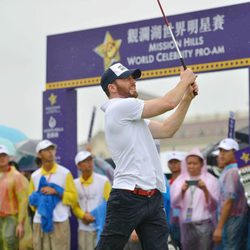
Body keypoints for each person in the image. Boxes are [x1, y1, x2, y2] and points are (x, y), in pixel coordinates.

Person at [96, 62, 198, 250]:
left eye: (132, 77)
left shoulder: (133, 117)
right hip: (127, 196)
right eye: (126, 78)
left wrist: (187, 99)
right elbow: (167, 103)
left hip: (152, 197)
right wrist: (184, 81)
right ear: (112, 87)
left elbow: (168, 130)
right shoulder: (118, 107)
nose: (132, 81)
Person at [29, 139, 78, 250]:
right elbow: (31, 201)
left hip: (60, 220)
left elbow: (74, 198)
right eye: (46, 150)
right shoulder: (35, 176)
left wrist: (56, 192)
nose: (51, 152)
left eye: (52, 149)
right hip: (40, 221)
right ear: (39, 154)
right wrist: (43, 203)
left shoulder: (65, 173)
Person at [171, 148, 219, 250]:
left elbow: (215, 205)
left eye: (195, 163)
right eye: (189, 163)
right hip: (186, 224)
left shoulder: (211, 181)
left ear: (201, 164)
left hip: (205, 223)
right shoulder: (179, 181)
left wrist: (205, 190)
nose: (191, 166)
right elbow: (174, 204)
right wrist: (182, 192)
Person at [213, 138, 248, 249]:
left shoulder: (232, 172)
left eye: (226, 151)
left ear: (235, 153)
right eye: (221, 151)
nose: (222, 154)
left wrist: (219, 227)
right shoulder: (229, 170)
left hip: (233, 218)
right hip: (232, 218)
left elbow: (229, 201)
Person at [72, 151, 111, 250]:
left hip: (101, 228)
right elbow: (74, 205)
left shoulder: (103, 180)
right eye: (85, 161)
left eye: (90, 160)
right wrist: (83, 215)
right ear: (78, 166)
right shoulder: (74, 183)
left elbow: (110, 203)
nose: (89, 163)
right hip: (83, 228)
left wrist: (98, 216)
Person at [0, 144, 29, 250]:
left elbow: (23, 201)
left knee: (10, 243)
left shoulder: (16, 177)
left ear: (9, 158)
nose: (1, 158)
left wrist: (20, 223)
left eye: (4, 155)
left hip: (11, 218)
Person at [167, 151, 186, 249]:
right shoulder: (166, 183)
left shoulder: (186, 181)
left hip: (185, 219)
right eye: (171, 162)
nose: (173, 165)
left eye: (176, 162)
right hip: (171, 220)